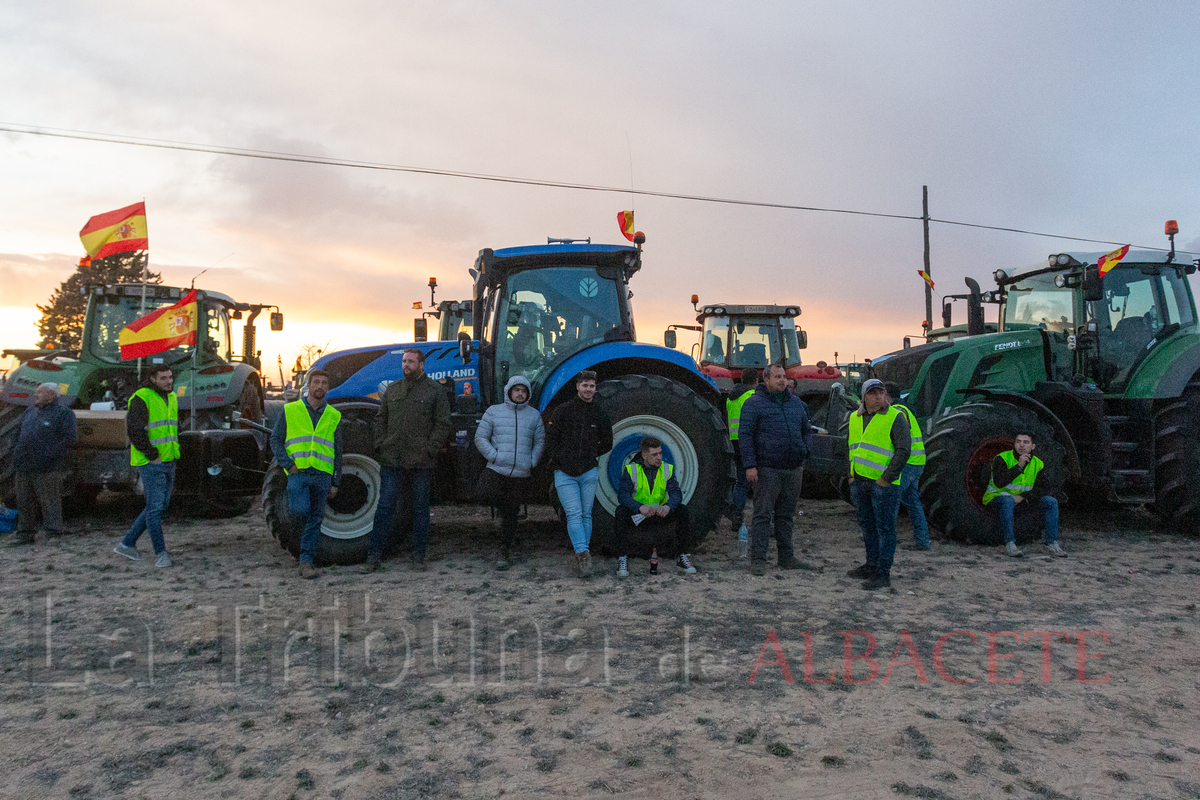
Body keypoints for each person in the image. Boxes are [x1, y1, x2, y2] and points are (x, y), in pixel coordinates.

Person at [362, 348, 452, 573]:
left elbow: (443, 423)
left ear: (422, 364)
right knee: (384, 507)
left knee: (420, 509)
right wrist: (380, 443)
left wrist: (429, 449)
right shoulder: (393, 390)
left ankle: (418, 557)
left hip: (421, 462)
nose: (406, 365)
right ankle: (374, 556)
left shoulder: (435, 391)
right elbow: (381, 419)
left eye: (411, 361)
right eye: (404, 361)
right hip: (392, 459)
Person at [739, 364, 812, 576]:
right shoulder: (754, 404)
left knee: (786, 516)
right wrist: (750, 465)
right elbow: (745, 436)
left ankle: (786, 557)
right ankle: (759, 560)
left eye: (784, 376)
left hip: (793, 468)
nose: (782, 380)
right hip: (767, 469)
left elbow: (806, 429)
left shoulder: (795, 403)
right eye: (777, 377)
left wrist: (805, 450)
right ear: (766, 380)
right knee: (762, 515)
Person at [270, 369, 343, 579]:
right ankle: (300, 549)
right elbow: (275, 439)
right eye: (316, 382)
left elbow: (338, 450)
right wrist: (288, 465)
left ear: (328, 388)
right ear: (308, 386)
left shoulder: (334, 415)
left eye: (324, 383)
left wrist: (335, 481)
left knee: (316, 518)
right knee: (299, 512)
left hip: (322, 476)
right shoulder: (290, 410)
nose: (320, 386)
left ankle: (306, 561)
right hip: (298, 473)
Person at [544, 370, 613, 578]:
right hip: (565, 473)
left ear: (595, 388)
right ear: (577, 386)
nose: (589, 389)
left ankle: (583, 552)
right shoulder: (563, 411)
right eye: (585, 385)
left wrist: (591, 455)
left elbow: (607, 442)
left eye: (592, 386)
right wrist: (560, 460)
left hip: (588, 471)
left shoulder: (600, 413)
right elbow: (551, 440)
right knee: (574, 514)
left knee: (585, 514)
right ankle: (582, 554)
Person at [846, 378, 911, 590]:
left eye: (881, 393)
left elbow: (903, 451)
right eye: (873, 393)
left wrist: (886, 479)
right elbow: (852, 448)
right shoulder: (855, 418)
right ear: (864, 397)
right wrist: (851, 475)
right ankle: (871, 565)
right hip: (861, 482)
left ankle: (883, 573)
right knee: (868, 527)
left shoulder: (895, 417)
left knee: (885, 529)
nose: (878, 397)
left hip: (883, 485)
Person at [475, 375, 545, 570]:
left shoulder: (534, 415)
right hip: (497, 469)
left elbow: (539, 442)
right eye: (517, 390)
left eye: (524, 391)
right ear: (509, 391)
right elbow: (481, 437)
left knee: (511, 513)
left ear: (527, 394)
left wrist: (531, 461)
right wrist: (494, 457)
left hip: (520, 473)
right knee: (483, 494)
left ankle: (504, 550)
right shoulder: (494, 412)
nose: (520, 394)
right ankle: (501, 513)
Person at [113, 366, 180, 567]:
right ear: (152, 379)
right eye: (163, 378)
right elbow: (134, 430)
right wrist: (152, 455)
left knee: (158, 506)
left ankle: (127, 544)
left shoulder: (172, 397)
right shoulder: (142, 397)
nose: (169, 381)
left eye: (170, 377)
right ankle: (161, 554)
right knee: (155, 508)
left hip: (169, 459)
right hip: (152, 462)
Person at [614, 436, 697, 576]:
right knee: (620, 511)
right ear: (644, 455)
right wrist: (639, 507)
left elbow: (676, 493)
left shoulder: (667, 469)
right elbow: (623, 496)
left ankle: (682, 556)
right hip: (639, 514)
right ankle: (622, 559)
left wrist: (668, 507)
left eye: (660, 453)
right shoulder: (631, 469)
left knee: (682, 510)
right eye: (654, 454)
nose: (659, 457)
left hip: (659, 514)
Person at [13, 382, 77, 544]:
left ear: (51, 396)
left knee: (49, 500)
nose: (36, 395)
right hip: (24, 463)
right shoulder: (30, 411)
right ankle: (25, 533)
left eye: (40, 392)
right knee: (23, 500)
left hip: (47, 466)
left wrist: (50, 455)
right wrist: (16, 452)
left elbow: (70, 438)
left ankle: (53, 532)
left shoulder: (64, 413)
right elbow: (18, 432)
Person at [984, 432, 1066, 558]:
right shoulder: (1002, 458)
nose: (1021, 445)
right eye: (1018, 442)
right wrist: (1019, 466)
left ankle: (1052, 543)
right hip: (996, 498)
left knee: (1051, 501)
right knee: (1007, 501)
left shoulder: (1038, 463)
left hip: (1022, 500)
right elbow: (999, 483)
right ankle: (1010, 544)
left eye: (1026, 442)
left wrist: (1024, 497)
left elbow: (1045, 488)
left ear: (1033, 446)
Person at [884, 383, 929, 550]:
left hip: (907, 462)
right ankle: (922, 541)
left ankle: (887, 538)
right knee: (912, 501)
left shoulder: (897, 411)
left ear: (887, 394)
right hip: (917, 461)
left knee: (891, 498)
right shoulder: (906, 409)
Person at [725, 368, 758, 544]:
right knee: (759, 481)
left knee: (740, 481)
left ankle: (736, 516)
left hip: (734, 440)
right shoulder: (752, 395)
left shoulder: (731, 397)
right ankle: (763, 520)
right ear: (756, 380)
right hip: (750, 440)